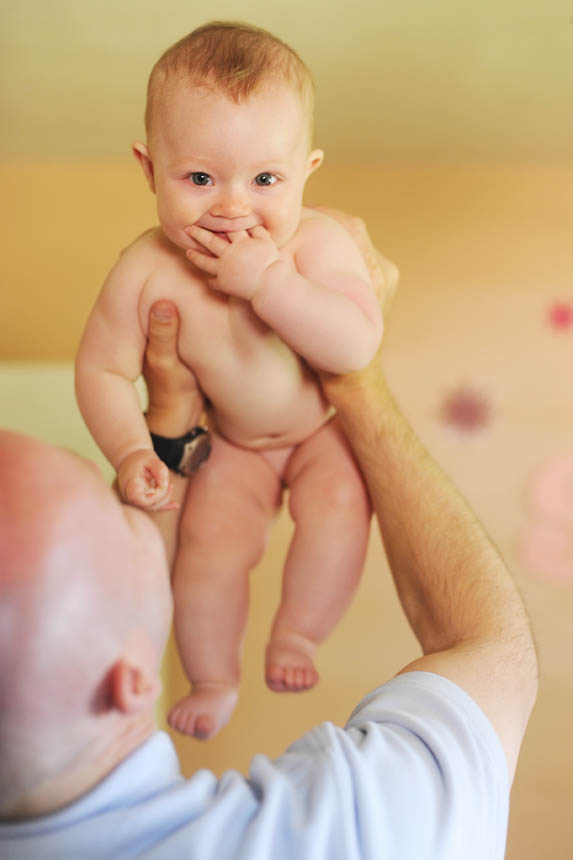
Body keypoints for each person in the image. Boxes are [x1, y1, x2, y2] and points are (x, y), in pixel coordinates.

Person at [0, 216, 536, 860]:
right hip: (263, 441)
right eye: (115, 512)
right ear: (132, 679)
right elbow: (488, 648)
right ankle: (243, 662)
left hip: (291, 440)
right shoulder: (353, 831)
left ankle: (296, 629)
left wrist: (165, 430)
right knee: (214, 555)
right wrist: (354, 377)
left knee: (323, 517)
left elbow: (153, 540)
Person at [75, 21, 383, 740]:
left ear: (306, 171)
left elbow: (356, 341)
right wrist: (131, 452)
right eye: (200, 178)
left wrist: (270, 284)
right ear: (149, 169)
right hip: (234, 448)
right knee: (209, 554)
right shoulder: (147, 267)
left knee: (342, 509)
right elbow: (101, 368)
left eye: (265, 179)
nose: (232, 206)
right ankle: (213, 677)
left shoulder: (315, 241)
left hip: (318, 435)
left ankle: (298, 634)